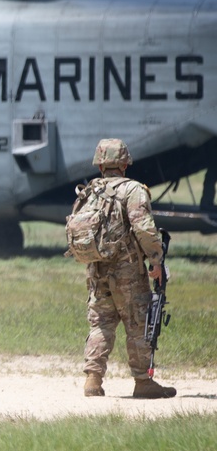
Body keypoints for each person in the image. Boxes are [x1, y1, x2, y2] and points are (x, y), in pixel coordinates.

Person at [78, 138, 176, 399]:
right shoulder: (133, 190)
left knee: (101, 324)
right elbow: (143, 228)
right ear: (124, 164)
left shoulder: (90, 191)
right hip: (128, 272)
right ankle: (143, 381)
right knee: (137, 323)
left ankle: (93, 379)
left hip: (97, 271)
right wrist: (156, 260)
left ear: (100, 165)